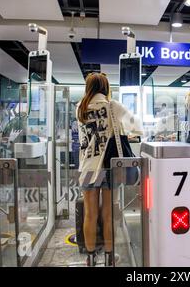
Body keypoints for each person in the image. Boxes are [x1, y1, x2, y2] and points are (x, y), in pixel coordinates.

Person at [76, 73, 143, 267]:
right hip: (109, 166)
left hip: (88, 167)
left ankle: (89, 258)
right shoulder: (113, 105)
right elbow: (137, 127)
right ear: (105, 87)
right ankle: (109, 257)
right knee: (108, 214)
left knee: (90, 214)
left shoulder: (80, 107)